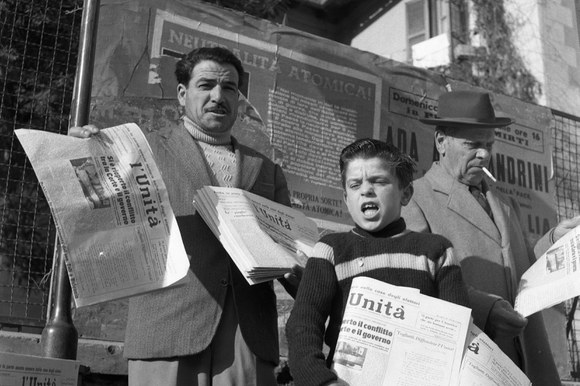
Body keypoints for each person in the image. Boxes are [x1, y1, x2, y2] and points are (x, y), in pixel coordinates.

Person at [70, 47, 301, 386]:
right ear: (182, 93)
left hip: (246, 336)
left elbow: (291, 255)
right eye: (206, 85)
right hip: (166, 327)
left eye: (229, 88)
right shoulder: (140, 151)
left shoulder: (267, 171)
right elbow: (95, 217)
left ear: (238, 98)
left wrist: (313, 274)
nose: (217, 96)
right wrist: (77, 156)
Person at [401, 90, 580, 385]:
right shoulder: (415, 198)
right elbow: (418, 280)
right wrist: (485, 310)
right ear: (441, 142)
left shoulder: (505, 203)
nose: (484, 154)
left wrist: (554, 242)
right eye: (472, 144)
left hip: (523, 361)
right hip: (470, 362)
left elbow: (518, 269)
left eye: (488, 144)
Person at [285, 139, 470, 386]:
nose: (366, 190)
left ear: (406, 194)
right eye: (355, 184)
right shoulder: (330, 250)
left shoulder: (436, 251)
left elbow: (458, 334)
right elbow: (303, 325)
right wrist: (321, 380)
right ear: (345, 197)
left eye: (378, 181)